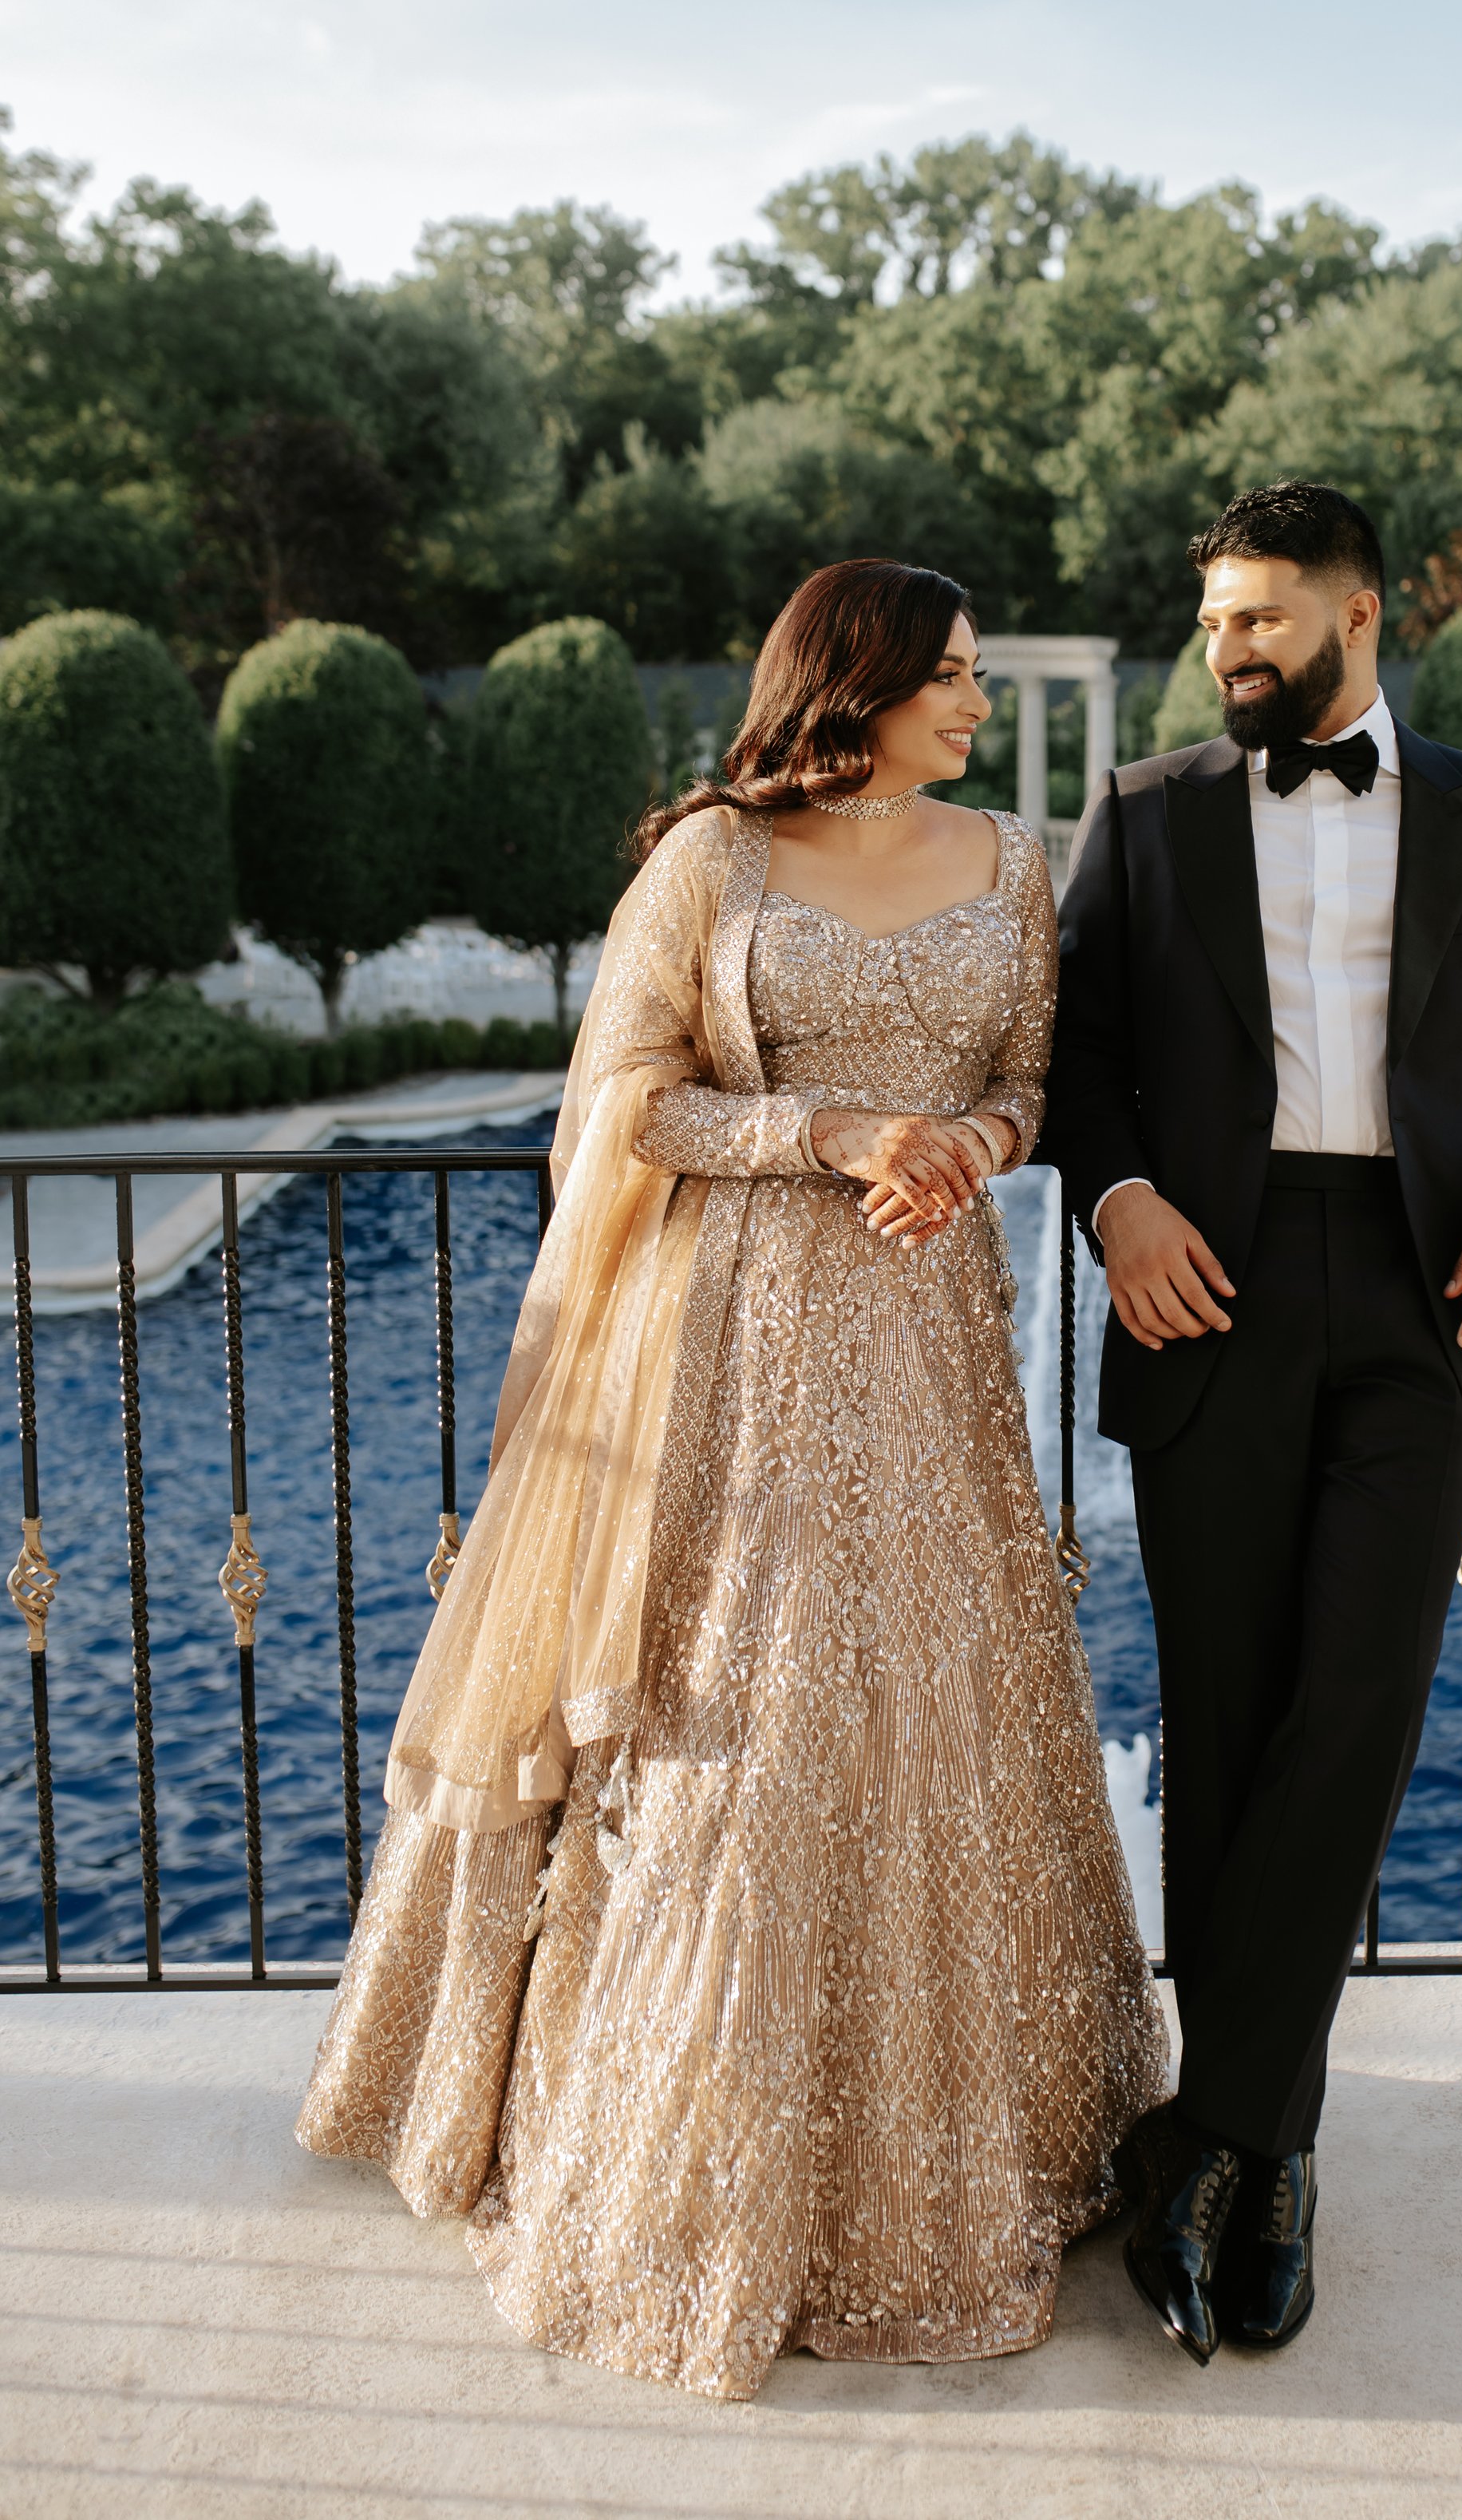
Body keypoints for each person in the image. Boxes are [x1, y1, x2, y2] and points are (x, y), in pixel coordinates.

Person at [298, 556, 1168, 2400]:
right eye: (940, 676)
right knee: (742, 1710)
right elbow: (619, 1110)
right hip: (743, 1344)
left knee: (935, 1697)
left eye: (972, 679)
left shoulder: (1015, 864)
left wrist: (968, 1147)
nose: (967, 705)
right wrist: (831, 1126)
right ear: (845, 685)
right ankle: (692, 2152)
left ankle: (953, 2152)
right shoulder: (707, 864)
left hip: (929, 1340)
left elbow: (1032, 1078)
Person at [1047, 479, 1462, 2366]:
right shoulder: (1144, 813)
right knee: (1226, 1715)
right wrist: (1115, 1205)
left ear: (1359, 614)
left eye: (1259, 618)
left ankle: (1223, 2140)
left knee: (1356, 1704)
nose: (1228, 651)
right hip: (1208, 1286)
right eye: (1212, 623)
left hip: (1430, 1297)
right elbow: (1075, 1061)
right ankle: (1260, 2162)